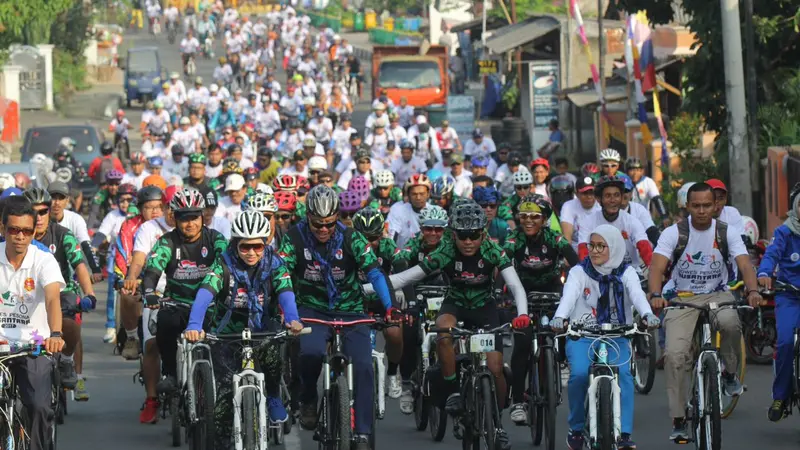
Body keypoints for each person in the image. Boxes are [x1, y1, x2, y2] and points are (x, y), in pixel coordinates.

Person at [371, 200, 528, 450]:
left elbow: (517, 286)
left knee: (496, 367)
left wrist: (522, 314)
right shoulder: (444, 252)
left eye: (474, 236)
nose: (468, 242)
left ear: (483, 233)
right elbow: (404, 277)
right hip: (454, 304)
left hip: (485, 308)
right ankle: (453, 389)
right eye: (462, 236)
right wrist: (363, 288)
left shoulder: (493, 252)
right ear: (453, 234)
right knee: (442, 331)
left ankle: (497, 426)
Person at [278, 185, 395, 449]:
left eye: (329, 224)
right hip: (311, 309)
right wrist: (290, 314)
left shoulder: (352, 237)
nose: (323, 230)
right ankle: (307, 396)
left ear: (337, 218)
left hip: (351, 309)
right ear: (307, 217)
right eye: (317, 224)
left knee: (364, 366)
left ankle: (363, 430)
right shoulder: (293, 238)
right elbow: (282, 276)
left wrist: (390, 308)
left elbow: (375, 273)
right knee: (310, 353)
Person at [647, 182, 762, 442]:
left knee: (731, 323)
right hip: (682, 297)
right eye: (696, 206)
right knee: (675, 355)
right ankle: (678, 418)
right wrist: (655, 295)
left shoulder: (726, 232)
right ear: (687, 206)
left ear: (715, 206)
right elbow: (656, 268)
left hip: (717, 294)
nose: (701, 211)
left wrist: (753, 291)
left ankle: (729, 373)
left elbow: (744, 264)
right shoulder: (673, 233)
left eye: (707, 205)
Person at [184, 211, 303, 449]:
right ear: (235, 244)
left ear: (265, 243)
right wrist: (194, 325)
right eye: (245, 247)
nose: (251, 253)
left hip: (262, 329)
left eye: (257, 247)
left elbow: (286, 293)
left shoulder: (275, 264)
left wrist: (293, 320)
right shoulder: (223, 264)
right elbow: (205, 293)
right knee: (224, 404)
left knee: (271, 358)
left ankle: (272, 396)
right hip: (227, 332)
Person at [551, 225, 660, 450]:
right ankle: (577, 428)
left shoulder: (627, 272)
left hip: (617, 334)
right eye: (592, 245)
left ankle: (624, 434)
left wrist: (648, 313)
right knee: (580, 375)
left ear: (615, 247)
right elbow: (569, 296)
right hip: (583, 334)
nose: (595, 250)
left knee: (625, 377)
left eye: (602, 246)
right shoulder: (579, 272)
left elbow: (638, 296)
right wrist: (560, 317)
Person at [141, 187, 227, 395]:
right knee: (165, 323)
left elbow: (227, 267)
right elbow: (152, 271)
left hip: (210, 306)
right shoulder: (167, 242)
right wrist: (150, 291)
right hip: (176, 303)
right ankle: (170, 373)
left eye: (195, 217)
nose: (191, 223)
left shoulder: (216, 239)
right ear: (175, 218)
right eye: (184, 218)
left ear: (202, 216)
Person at [0, 195, 66, 450]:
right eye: (14, 230)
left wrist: (56, 334)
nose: (20, 237)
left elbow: (52, 300)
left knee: (39, 407)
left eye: (26, 231)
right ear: (3, 229)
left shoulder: (43, 260)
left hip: (34, 344)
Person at [504, 194, 578, 424]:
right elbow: (500, 264)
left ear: (545, 219)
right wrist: (499, 293)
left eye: (534, 216)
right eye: (523, 216)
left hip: (553, 290)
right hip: (523, 295)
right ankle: (518, 400)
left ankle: (563, 361)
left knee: (563, 323)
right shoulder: (513, 240)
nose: (528, 221)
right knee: (523, 343)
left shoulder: (555, 239)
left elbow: (576, 263)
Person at [24, 188, 97, 401]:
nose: (38, 218)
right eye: (33, 212)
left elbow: (80, 265)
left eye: (43, 211)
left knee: (71, 322)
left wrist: (90, 294)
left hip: (61, 291)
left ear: (50, 212)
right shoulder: (17, 235)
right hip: (26, 293)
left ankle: (66, 360)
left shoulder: (63, 234)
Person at [352, 208, 405, 402]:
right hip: (357, 301)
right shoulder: (348, 245)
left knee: (395, 332)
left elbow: (402, 262)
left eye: (373, 238)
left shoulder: (388, 246)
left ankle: (392, 372)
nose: (369, 243)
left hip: (383, 300)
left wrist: (401, 290)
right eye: (363, 238)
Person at [759, 183, 800, 421]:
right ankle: (780, 395)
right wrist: (764, 273)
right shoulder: (784, 232)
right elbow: (771, 254)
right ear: (794, 206)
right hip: (789, 295)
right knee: (785, 342)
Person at [577, 176, 652, 270]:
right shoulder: (587, 222)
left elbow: (645, 248)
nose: (613, 200)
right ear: (599, 200)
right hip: (598, 273)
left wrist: (654, 271)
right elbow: (583, 251)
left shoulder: (632, 221)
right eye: (608, 196)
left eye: (617, 195)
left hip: (630, 272)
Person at [386, 174, 431, 247]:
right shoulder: (397, 210)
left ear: (428, 194)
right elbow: (391, 237)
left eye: (422, 194)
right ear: (408, 195)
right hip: (401, 255)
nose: (418, 198)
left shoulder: (435, 212)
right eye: (414, 194)